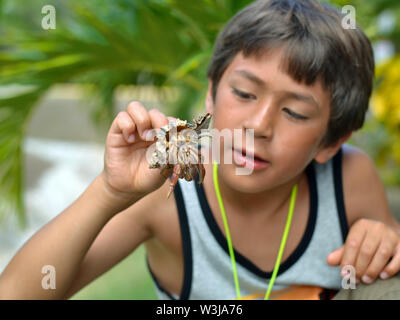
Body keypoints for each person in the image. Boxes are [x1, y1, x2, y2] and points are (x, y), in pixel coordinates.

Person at [1, 0, 400, 300]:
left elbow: (386, 259)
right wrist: (111, 191)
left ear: (331, 142)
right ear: (210, 93)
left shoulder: (350, 179)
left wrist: (383, 241)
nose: (258, 125)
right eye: (243, 93)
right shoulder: (164, 192)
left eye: (294, 112)